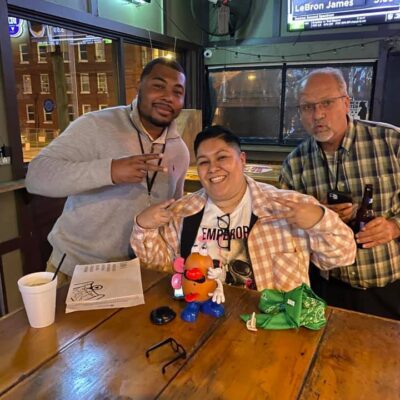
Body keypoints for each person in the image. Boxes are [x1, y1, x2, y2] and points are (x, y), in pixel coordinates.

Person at [130, 125, 356, 297]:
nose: (213, 168)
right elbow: (159, 267)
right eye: (204, 162)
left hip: (271, 329)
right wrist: (143, 227)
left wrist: (319, 220)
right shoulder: (182, 211)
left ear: (242, 159)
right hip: (199, 321)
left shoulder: (286, 206)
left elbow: (343, 256)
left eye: (222, 157)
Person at [26, 57, 190, 283]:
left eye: (177, 92)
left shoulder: (179, 151)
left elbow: (173, 216)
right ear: (139, 87)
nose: (168, 97)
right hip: (75, 268)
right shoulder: (96, 124)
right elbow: (36, 175)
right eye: (158, 86)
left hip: (138, 273)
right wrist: (110, 171)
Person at [280, 67, 400, 319]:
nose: (318, 114)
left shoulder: (391, 142)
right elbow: (285, 236)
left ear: (346, 103)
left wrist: (394, 227)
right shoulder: (295, 164)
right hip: (327, 290)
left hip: (390, 288)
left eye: (326, 103)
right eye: (307, 107)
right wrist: (316, 218)